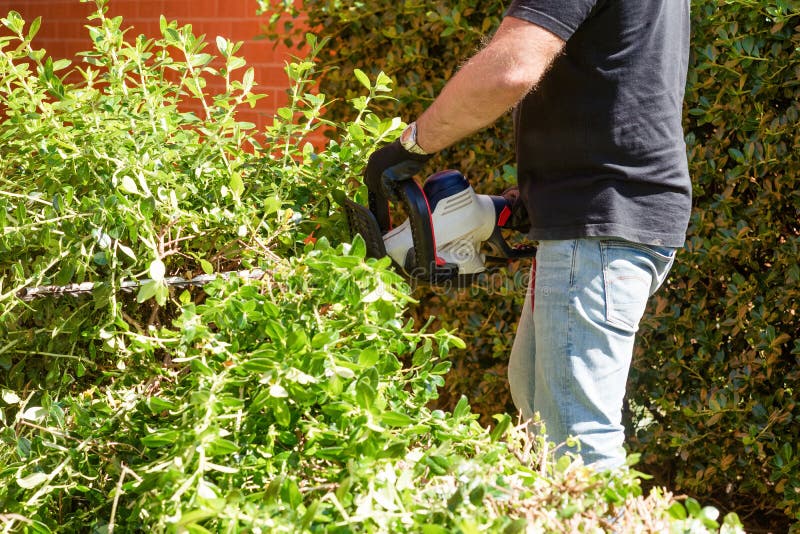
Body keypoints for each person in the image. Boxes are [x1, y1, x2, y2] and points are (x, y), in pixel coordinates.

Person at [364, 1, 692, 470]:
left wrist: (411, 145)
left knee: (577, 443)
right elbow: (623, 85)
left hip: (598, 222)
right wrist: (528, 203)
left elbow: (513, 67)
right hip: (602, 215)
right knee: (538, 407)